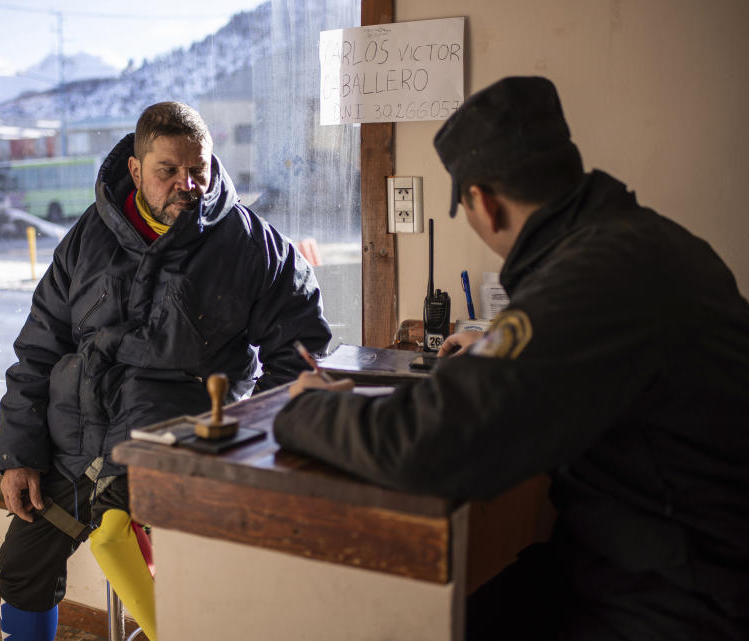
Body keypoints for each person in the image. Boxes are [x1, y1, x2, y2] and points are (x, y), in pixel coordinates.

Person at [273, 77, 749, 640]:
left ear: (483, 203)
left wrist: (308, 411)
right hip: (670, 550)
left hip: (681, 595)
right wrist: (500, 355)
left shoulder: (591, 276)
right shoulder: (646, 243)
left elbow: (432, 443)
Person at [0, 101, 331, 641]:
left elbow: (302, 352)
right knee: (21, 567)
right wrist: (19, 453)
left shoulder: (250, 245)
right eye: (168, 171)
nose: (187, 184)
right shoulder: (88, 238)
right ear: (135, 169)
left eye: (197, 169)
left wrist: (240, 439)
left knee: (171, 578)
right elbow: (38, 347)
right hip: (76, 444)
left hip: (175, 450)